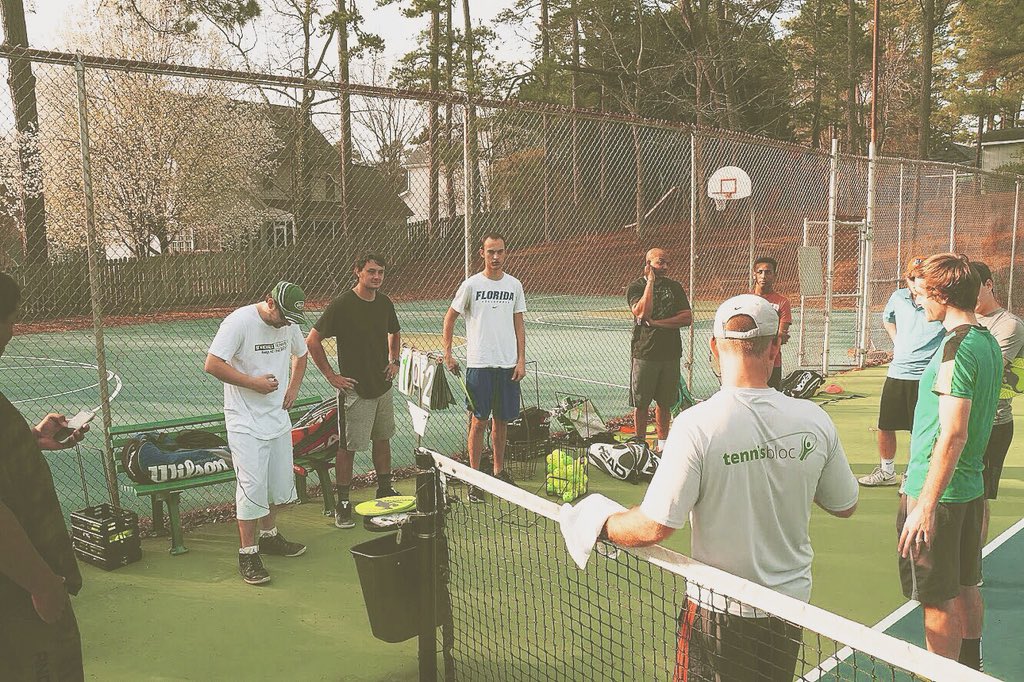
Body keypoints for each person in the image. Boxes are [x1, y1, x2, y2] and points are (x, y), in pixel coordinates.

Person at [602, 294, 858, 682]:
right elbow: (845, 505)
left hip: (716, 613)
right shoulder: (814, 420)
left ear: (714, 348)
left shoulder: (695, 425)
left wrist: (601, 523)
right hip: (788, 611)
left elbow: (655, 526)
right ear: (775, 347)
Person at [897, 254, 1001, 671]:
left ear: (941, 294)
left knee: (936, 599)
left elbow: (953, 434)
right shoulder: (986, 339)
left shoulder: (956, 349)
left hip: (938, 492)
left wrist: (924, 505)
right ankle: (971, 670)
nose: (918, 301)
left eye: (922, 294)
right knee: (965, 585)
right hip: (968, 489)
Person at [0, 272, 90, 680]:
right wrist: (40, 582)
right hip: (16, 595)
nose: (12, 332)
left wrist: (31, 437)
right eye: (9, 319)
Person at [204, 281, 309, 585]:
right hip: (245, 422)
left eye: (292, 319)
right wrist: (253, 383)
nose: (287, 324)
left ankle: (270, 537)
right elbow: (212, 364)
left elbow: (301, 356)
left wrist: (293, 389)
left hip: (277, 418)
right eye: (284, 317)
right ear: (269, 302)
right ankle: (248, 553)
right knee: (251, 486)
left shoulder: (288, 323)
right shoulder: (238, 322)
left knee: (276, 483)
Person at [306, 254, 402, 529]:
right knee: (348, 448)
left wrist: (394, 361)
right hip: (355, 390)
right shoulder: (342, 305)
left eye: (381, 272)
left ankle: (384, 490)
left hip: (382, 387)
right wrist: (331, 375)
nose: (376, 277)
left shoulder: (384, 303)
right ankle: (344, 503)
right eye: (371, 271)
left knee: (383, 439)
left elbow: (394, 332)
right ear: (357, 272)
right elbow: (312, 340)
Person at [443, 233, 527, 502]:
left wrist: (521, 359)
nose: (495, 257)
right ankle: (475, 479)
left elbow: (519, 324)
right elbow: (450, 317)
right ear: (482, 253)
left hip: (507, 365)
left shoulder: (515, 285)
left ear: (506, 253)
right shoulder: (470, 285)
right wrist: (448, 353)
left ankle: (498, 472)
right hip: (479, 364)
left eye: (500, 252)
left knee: (501, 421)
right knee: (479, 422)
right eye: (490, 252)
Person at [859, 256, 945, 487]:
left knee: (921, 428)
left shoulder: (938, 300)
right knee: (885, 424)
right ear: (909, 278)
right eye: (916, 277)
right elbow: (888, 319)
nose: (919, 281)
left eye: (924, 276)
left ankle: (912, 474)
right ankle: (887, 472)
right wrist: (898, 342)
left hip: (926, 375)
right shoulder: (898, 298)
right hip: (897, 373)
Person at [971, 261, 1024, 542]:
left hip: (992, 425)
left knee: (978, 496)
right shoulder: (964, 319)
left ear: (989, 285)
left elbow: (986, 371)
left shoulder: (1009, 325)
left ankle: (972, 564)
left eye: (974, 286)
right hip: (959, 419)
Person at [626, 248, 692, 452]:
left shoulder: (675, 287)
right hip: (645, 352)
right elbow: (641, 312)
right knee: (641, 401)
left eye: (667, 263)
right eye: (660, 263)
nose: (665, 267)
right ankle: (640, 443)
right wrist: (650, 283)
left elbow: (686, 318)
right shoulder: (636, 287)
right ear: (648, 264)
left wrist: (657, 323)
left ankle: (663, 444)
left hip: (670, 353)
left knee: (665, 401)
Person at [750, 256, 791, 390]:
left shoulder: (782, 302)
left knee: (772, 401)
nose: (763, 276)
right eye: (760, 272)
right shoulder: (746, 300)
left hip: (773, 361)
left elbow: (781, 336)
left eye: (768, 272)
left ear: (774, 276)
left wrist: (777, 337)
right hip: (749, 360)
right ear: (754, 275)